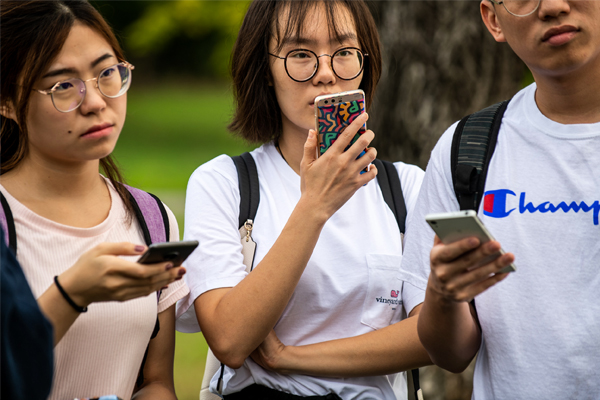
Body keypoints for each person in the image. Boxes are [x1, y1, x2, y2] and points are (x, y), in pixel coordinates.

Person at [176, 1, 431, 399]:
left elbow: (436, 337)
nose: (326, 73)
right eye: (300, 55)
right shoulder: (225, 182)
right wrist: (315, 206)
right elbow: (229, 338)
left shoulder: (406, 188)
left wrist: (290, 357)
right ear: (265, 70)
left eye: (344, 52)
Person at [401, 0, 600, 398]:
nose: (553, 7)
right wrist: (443, 295)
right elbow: (449, 354)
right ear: (493, 20)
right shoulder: (467, 149)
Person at [0, 1, 189, 399]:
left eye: (107, 73)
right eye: (63, 86)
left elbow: (156, 382)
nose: (96, 102)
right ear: (7, 102)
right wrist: (72, 293)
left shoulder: (151, 218)